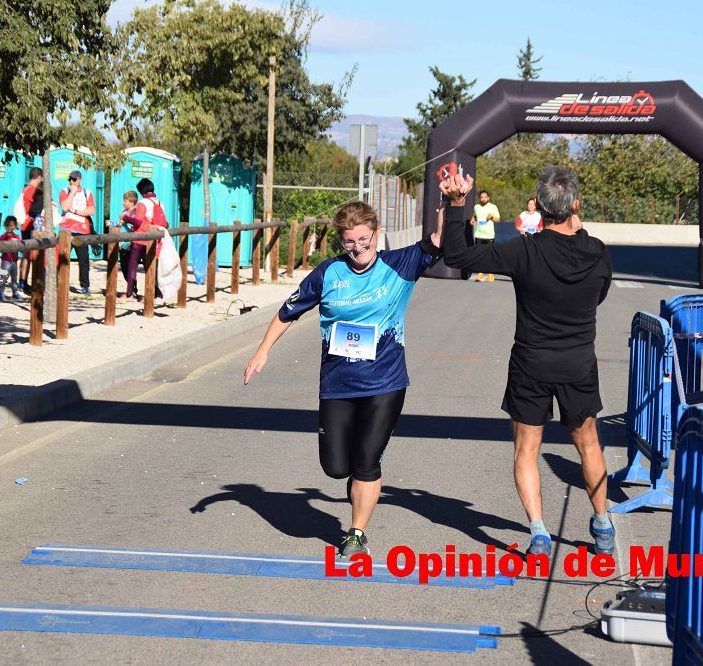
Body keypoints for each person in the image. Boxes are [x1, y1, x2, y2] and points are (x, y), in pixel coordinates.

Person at [243, 201, 444, 558]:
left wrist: (451, 203)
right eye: (350, 242)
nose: (358, 248)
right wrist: (263, 350)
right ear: (341, 241)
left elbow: (441, 240)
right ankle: (358, 480)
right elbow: (288, 311)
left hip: (386, 383)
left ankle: (356, 532)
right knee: (336, 467)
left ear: (377, 233)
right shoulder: (328, 274)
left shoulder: (399, 265)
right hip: (337, 385)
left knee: (366, 462)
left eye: (364, 239)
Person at [440, 166, 615, 558]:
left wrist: (455, 205)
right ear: (575, 204)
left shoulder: (524, 249)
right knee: (589, 445)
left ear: (539, 207)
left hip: (531, 363)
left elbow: (457, 255)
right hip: (578, 362)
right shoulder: (597, 251)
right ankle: (602, 522)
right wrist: (581, 232)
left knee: (526, 449)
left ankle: (538, 531)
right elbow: (598, 295)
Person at [59, 170, 97, 294]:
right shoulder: (65, 191)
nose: (71, 181)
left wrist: (75, 211)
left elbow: (91, 210)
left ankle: (85, 286)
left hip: (83, 230)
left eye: (74, 179)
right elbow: (64, 207)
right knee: (63, 258)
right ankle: (60, 283)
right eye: (69, 179)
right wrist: (72, 192)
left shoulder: (88, 193)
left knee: (83, 260)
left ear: (80, 179)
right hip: (66, 230)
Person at [131, 177, 169, 303]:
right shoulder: (159, 202)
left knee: (135, 265)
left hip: (144, 238)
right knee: (154, 266)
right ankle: (157, 295)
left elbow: (137, 220)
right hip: (157, 238)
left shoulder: (143, 203)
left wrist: (126, 218)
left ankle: (131, 293)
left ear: (142, 190)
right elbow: (165, 222)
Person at [13, 166, 45, 290]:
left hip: (25, 225)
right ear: (38, 177)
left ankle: (22, 280)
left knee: (26, 253)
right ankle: (23, 280)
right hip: (30, 225)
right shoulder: (32, 190)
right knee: (28, 254)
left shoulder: (25, 189)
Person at [118, 191, 146, 302]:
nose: (123, 202)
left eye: (125, 201)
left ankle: (132, 291)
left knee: (131, 268)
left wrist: (125, 221)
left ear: (132, 202)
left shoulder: (135, 213)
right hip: (122, 243)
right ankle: (131, 289)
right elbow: (121, 226)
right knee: (124, 268)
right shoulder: (124, 212)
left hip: (131, 243)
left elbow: (133, 227)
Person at [471, 190, 499, 282]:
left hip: (489, 235)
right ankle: (480, 274)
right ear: (479, 198)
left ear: (488, 198)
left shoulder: (493, 207)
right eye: (481, 197)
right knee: (479, 255)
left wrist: (491, 217)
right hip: (479, 234)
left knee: (490, 255)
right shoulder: (476, 207)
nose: (483, 199)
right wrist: (473, 220)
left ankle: (491, 274)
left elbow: (498, 219)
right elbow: (475, 216)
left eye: (485, 197)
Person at [0, 216, 24, 302]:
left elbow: (21, 247)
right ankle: (1, 293)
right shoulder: (3, 237)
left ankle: (15, 293)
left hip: (14, 261)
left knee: (14, 278)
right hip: (5, 261)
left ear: (15, 226)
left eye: (11, 225)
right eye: (7, 225)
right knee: (3, 277)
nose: (9, 227)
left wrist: (17, 243)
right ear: (5, 226)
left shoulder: (17, 237)